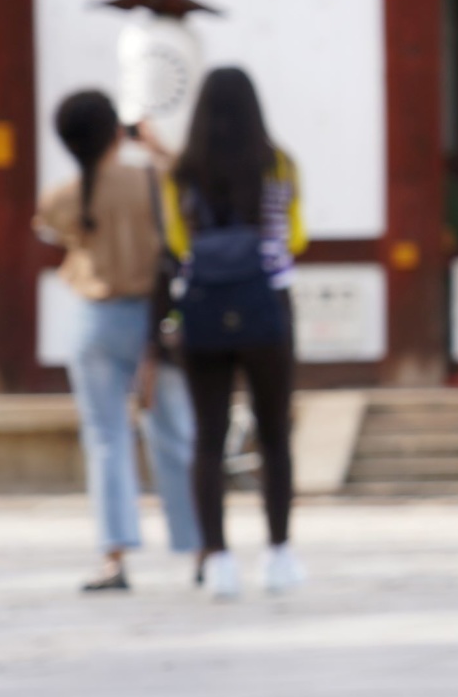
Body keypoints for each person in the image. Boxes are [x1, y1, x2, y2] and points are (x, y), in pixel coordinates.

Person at [35, 90, 203, 593]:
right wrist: (155, 144)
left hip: (95, 321)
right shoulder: (150, 178)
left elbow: (50, 229)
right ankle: (196, 547)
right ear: (115, 131)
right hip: (153, 322)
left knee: (105, 437)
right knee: (174, 432)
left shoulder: (63, 195)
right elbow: (189, 184)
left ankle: (114, 556)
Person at [165, 67, 305, 599]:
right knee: (273, 433)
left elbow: (177, 245)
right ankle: (279, 552)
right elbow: (295, 233)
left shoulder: (182, 171)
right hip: (267, 302)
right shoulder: (279, 163)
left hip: (203, 306)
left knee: (208, 436)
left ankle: (219, 559)